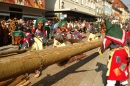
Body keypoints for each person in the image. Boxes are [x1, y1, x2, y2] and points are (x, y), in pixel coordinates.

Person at [98, 20, 130, 86]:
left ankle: (111, 83)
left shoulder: (110, 33)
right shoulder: (121, 30)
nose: (103, 29)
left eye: (104, 28)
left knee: (114, 69)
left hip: (117, 55)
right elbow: (128, 39)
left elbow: (104, 45)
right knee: (122, 67)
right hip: (125, 53)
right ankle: (123, 83)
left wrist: (100, 50)